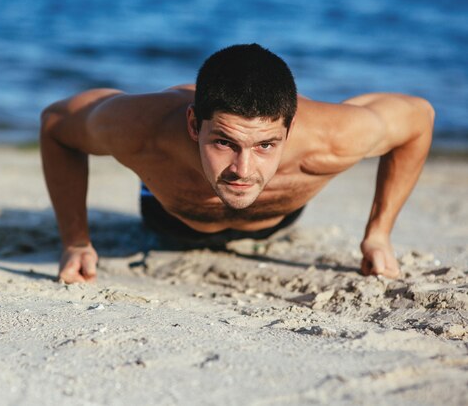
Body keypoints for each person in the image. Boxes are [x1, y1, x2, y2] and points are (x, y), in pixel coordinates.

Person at [40, 43, 434, 284]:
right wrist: (76, 241)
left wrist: (378, 234)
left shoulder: (334, 137)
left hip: (277, 220)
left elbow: (418, 118)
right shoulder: (141, 128)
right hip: (169, 219)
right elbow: (56, 124)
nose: (243, 170)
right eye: (225, 142)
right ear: (194, 124)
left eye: (265, 145)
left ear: (290, 128)